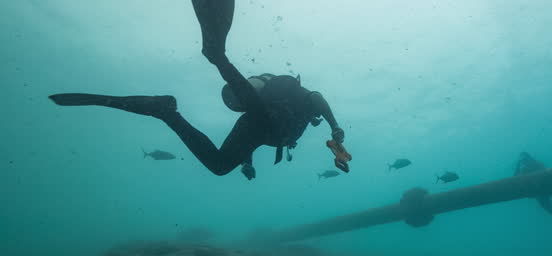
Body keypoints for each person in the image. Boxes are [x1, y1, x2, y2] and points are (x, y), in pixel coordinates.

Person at [48, 0, 346, 181]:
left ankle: (166, 113)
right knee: (255, 108)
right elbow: (316, 97)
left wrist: (246, 161)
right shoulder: (302, 102)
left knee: (219, 166)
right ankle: (217, 56)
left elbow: (254, 138)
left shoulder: (283, 115)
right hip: (264, 117)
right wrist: (336, 129)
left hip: (260, 127)